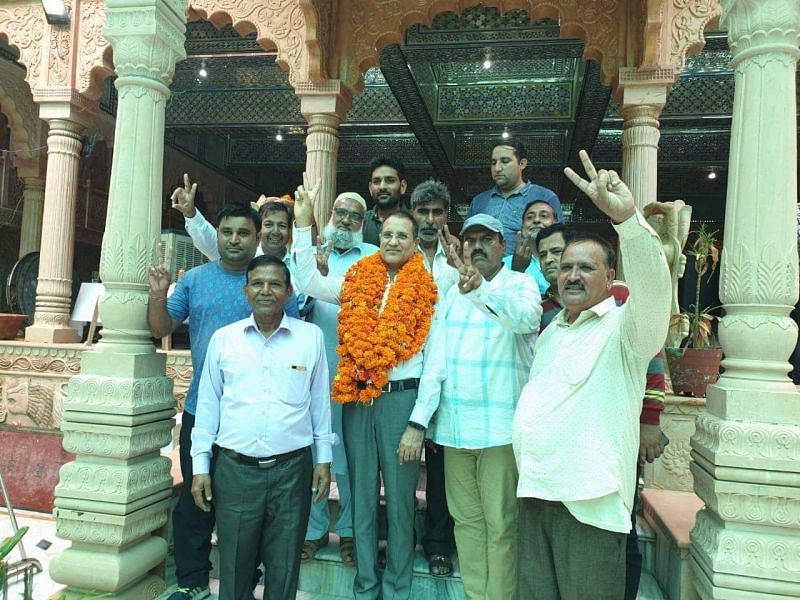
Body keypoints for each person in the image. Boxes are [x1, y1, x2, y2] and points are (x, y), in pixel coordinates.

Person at [513, 150, 671, 600]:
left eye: (586, 267)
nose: (572, 275)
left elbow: (655, 289)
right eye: (565, 267)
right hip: (537, 495)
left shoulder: (626, 328)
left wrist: (626, 221)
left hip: (590, 506)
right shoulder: (552, 330)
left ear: (611, 276)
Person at [290, 175, 438, 600]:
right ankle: (366, 586)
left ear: (414, 244)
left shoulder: (428, 289)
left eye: (401, 235)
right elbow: (308, 282)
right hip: (358, 399)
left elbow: (435, 364)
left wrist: (418, 422)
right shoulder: (357, 281)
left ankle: (397, 589)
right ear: (380, 238)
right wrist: (303, 225)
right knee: (360, 494)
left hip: (401, 402)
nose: (392, 241)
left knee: (401, 501)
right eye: (387, 233)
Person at [190, 254, 335, 600]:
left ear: (288, 291)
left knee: (284, 570)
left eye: (274, 284)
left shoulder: (310, 337)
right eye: (258, 283)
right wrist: (200, 467)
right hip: (235, 471)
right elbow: (208, 407)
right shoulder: (225, 340)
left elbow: (319, 403)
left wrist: (324, 460)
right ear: (246, 291)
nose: (265, 290)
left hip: (292, 470)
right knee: (235, 571)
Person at [412, 213, 541, 599]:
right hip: (455, 429)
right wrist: (425, 420)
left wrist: (481, 289)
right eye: (471, 239)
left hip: (501, 430)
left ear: (504, 245)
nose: (478, 246)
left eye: (487, 239)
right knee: (466, 522)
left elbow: (524, 320)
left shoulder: (521, 284)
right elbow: (436, 359)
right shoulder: (451, 293)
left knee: (501, 524)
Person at [148, 203, 263, 600]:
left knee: (246, 506)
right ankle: (193, 582)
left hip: (255, 414)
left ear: (257, 238)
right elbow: (162, 326)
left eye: (243, 233)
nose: (234, 240)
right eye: (227, 232)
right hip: (202, 410)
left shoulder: (268, 282)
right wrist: (159, 295)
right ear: (217, 235)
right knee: (197, 500)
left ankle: (242, 583)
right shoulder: (195, 280)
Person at [302, 192, 378, 566]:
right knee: (315, 453)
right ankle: (314, 532)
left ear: (364, 222)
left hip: (359, 375)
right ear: (330, 215)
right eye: (340, 213)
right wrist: (316, 272)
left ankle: (348, 532)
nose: (346, 220)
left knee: (351, 459)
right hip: (314, 375)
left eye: (354, 215)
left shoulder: (374, 257)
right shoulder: (314, 253)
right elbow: (296, 301)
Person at [408, 179, 460, 577]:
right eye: (422, 212)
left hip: (448, 376)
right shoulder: (394, 254)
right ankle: (398, 535)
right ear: (412, 214)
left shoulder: (457, 262)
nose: (429, 220)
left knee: (441, 468)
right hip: (403, 374)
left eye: (436, 212)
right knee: (399, 465)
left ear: (447, 216)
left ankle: (438, 542)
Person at [469, 138, 562, 257]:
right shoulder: (479, 201)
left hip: (530, 272)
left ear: (522, 164)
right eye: (493, 162)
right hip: (485, 272)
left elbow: (559, 242)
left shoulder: (545, 197)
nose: (497, 168)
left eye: (505, 161)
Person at [504, 197, 564, 294]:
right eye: (529, 217)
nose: (536, 220)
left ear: (556, 224)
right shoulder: (505, 264)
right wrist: (517, 270)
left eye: (544, 216)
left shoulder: (569, 260)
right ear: (522, 227)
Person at [362, 156, 408, 245]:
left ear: (402, 186)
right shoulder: (360, 222)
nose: (382, 187)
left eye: (390, 181)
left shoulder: (415, 222)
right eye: (377, 181)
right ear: (370, 188)